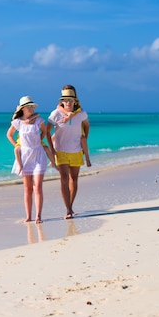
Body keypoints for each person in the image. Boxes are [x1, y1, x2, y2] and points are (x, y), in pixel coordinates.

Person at [46, 85, 91, 219]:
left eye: (70, 100)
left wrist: (84, 140)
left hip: (76, 151)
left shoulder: (82, 113)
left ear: (75, 101)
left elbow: (87, 126)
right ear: (62, 102)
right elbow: (47, 131)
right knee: (64, 180)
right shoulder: (56, 114)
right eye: (65, 100)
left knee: (74, 179)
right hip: (61, 151)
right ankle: (68, 209)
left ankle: (70, 206)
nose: (68, 102)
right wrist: (51, 148)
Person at [7, 96, 50, 224]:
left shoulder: (39, 121)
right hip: (25, 156)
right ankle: (28, 216)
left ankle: (38, 216)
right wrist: (17, 146)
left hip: (38, 154)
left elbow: (45, 132)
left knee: (38, 187)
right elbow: (9, 135)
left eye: (32, 106)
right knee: (27, 188)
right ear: (23, 108)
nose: (31, 108)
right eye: (28, 106)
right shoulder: (17, 122)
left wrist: (38, 141)